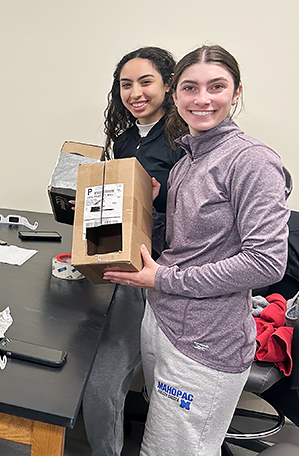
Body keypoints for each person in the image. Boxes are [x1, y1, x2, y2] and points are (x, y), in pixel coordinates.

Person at [104, 45, 292, 455]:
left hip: (206, 338)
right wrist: (151, 205)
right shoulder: (188, 159)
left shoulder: (251, 161)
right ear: (176, 95)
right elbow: (186, 244)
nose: (202, 99)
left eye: (216, 87)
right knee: (165, 439)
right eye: (190, 88)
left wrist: (164, 278)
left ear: (236, 92)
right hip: (164, 319)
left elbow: (266, 262)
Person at [82, 46, 185, 456]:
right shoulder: (124, 141)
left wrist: (161, 199)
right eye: (126, 84)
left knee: (170, 386)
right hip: (126, 270)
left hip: (168, 276)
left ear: (168, 86)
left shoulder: (184, 141)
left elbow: (197, 216)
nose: (135, 93)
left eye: (146, 82)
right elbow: (120, 215)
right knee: (101, 381)